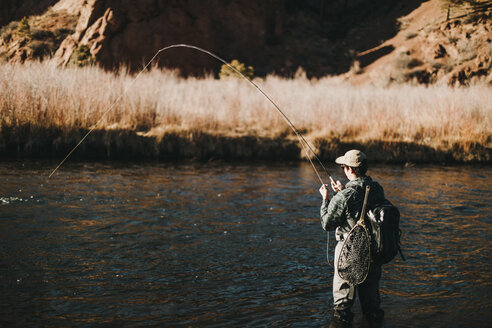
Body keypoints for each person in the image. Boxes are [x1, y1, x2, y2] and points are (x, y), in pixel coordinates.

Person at [319, 149, 386, 327]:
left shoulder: (345, 196)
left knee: (342, 309)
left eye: (343, 167)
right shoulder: (377, 188)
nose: (343, 170)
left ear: (349, 169)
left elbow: (327, 223)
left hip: (349, 254)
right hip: (373, 252)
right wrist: (342, 191)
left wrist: (326, 199)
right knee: (372, 308)